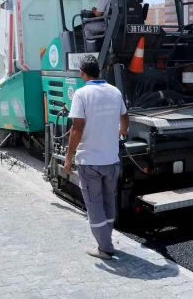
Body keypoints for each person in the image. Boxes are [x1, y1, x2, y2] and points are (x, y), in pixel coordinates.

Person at [64, 54, 129, 260]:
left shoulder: (82, 94)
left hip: (90, 161)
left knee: (94, 206)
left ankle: (105, 248)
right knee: (109, 202)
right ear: (99, 71)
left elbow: (77, 127)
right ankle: (106, 240)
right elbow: (125, 119)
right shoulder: (115, 92)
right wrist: (120, 133)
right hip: (111, 159)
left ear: (82, 73)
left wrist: (68, 156)